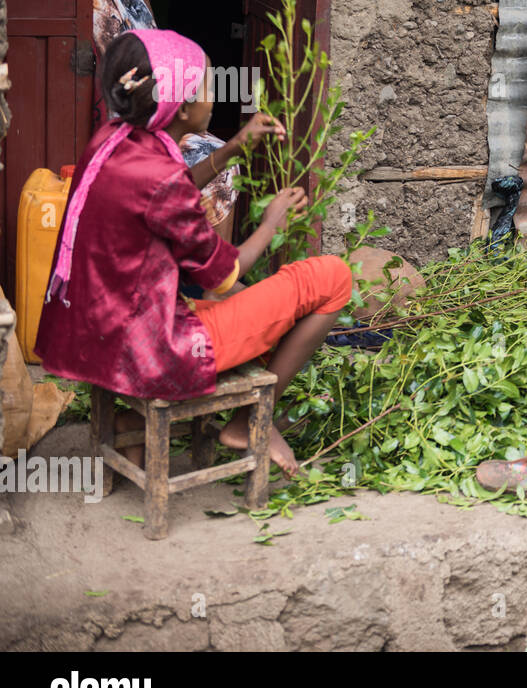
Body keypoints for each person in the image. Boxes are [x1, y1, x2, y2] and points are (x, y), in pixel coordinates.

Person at [35, 29, 353, 477]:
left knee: (258, 305)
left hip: (104, 331)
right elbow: (223, 274)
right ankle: (248, 420)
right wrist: (270, 224)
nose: (214, 97)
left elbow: (165, 197)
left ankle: (134, 426)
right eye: (206, 87)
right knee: (332, 277)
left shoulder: (113, 139)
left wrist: (233, 148)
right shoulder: (159, 177)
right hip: (157, 348)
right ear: (182, 107)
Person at [92, 0, 238, 243]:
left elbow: (157, 40)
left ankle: (205, 270)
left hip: (159, 111)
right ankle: (212, 276)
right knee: (218, 161)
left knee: (218, 152)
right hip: (129, 122)